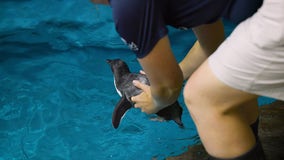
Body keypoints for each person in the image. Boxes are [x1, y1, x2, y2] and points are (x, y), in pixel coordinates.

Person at [90, 0, 276, 159]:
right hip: (269, 13)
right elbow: (213, 46)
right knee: (230, 71)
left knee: (203, 97)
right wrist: (170, 77)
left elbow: (168, 89)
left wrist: (154, 101)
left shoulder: (127, 7)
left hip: (275, 18)